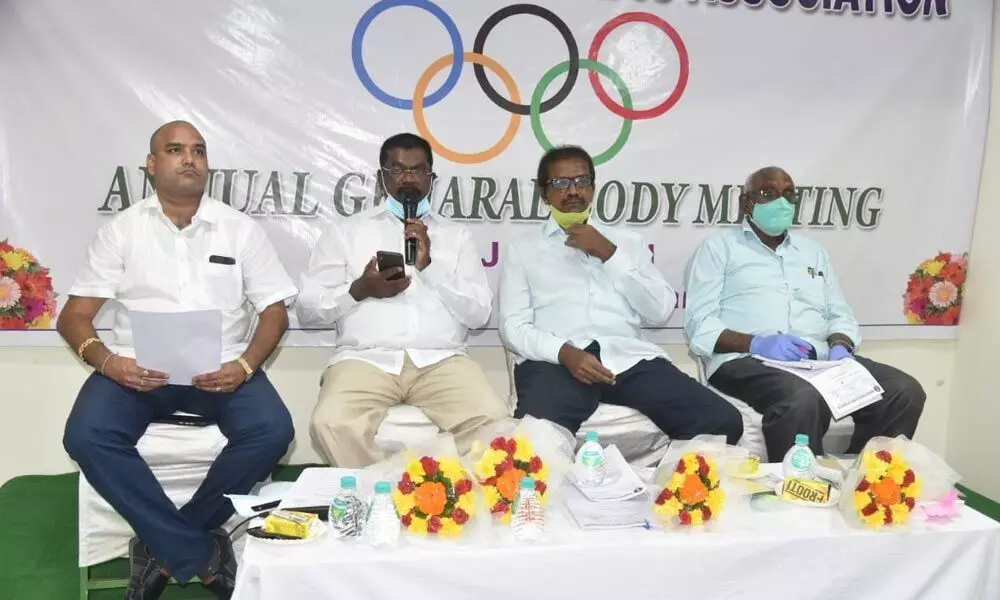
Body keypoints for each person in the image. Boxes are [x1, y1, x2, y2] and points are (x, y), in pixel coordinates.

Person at [59, 121, 296, 600]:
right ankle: (198, 553)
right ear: (152, 165)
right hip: (136, 371)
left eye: (198, 151)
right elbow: (74, 317)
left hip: (225, 369)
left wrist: (247, 366)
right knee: (86, 434)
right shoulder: (121, 231)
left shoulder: (239, 229)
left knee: (273, 430)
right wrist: (109, 363)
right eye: (175, 150)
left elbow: (274, 312)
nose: (189, 159)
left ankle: (163, 545)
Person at [498, 145, 743, 445]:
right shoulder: (522, 249)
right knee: (532, 444)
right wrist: (565, 352)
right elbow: (513, 327)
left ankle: (669, 488)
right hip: (555, 363)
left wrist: (609, 253)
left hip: (627, 360)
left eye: (582, 181)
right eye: (561, 183)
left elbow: (660, 310)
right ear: (543, 193)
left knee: (721, 422)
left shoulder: (627, 242)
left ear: (594, 186)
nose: (573, 191)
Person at [684, 166, 925, 460]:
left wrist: (840, 345)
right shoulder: (718, 247)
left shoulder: (813, 252)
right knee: (802, 397)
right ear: (746, 203)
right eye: (768, 193)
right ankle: (800, 486)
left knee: (903, 390)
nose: (781, 203)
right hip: (746, 361)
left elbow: (839, 312)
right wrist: (757, 343)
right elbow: (699, 324)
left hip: (819, 360)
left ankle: (866, 478)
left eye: (788, 195)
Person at [298, 132, 508, 467]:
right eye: (397, 170)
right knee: (330, 422)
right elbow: (308, 310)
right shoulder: (346, 232)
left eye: (418, 170)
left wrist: (431, 267)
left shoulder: (456, 235)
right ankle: (384, 492)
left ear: (431, 178)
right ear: (382, 178)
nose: (408, 178)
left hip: (441, 360)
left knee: (495, 422)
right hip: (366, 359)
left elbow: (479, 314)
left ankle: (441, 492)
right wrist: (360, 290)